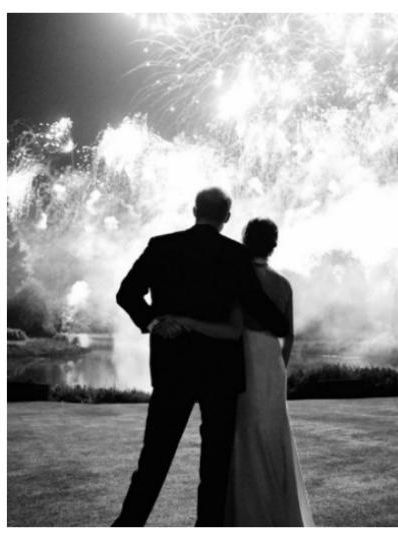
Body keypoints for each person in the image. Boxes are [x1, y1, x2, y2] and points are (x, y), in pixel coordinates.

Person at [112, 187, 289, 527]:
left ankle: (127, 526)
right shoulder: (235, 255)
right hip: (220, 372)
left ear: (194, 210)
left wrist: (152, 321)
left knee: (153, 461)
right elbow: (257, 304)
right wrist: (280, 323)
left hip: (172, 368)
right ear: (226, 216)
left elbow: (126, 292)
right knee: (215, 466)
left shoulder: (161, 246)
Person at [169, 219, 313, 525]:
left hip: (240, 357)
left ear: (244, 241)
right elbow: (288, 335)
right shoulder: (283, 284)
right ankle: (276, 514)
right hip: (271, 363)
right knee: (272, 435)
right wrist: (279, 369)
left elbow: (227, 328)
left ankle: (238, 516)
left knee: (237, 434)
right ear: (273, 245)